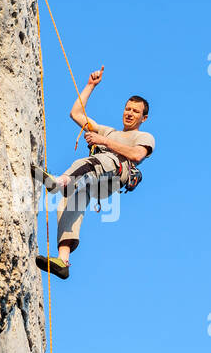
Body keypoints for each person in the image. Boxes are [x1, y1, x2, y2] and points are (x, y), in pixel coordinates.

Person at [33, 66, 155, 279]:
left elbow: (136, 155)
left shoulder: (144, 136)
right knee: (71, 200)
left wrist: (104, 141)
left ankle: (60, 182)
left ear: (143, 118)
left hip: (114, 172)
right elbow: (76, 114)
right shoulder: (108, 130)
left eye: (135, 111)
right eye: (127, 109)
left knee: (99, 160)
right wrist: (90, 85)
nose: (129, 113)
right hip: (96, 179)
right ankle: (63, 261)